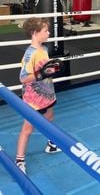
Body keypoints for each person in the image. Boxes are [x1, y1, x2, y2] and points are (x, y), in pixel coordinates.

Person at [16, 17, 63, 174]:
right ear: (35, 33)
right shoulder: (30, 54)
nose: (49, 32)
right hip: (33, 98)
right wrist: (41, 73)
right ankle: (19, 160)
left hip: (47, 93)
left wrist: (51, 69)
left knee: (49, 116)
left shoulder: (44, 49)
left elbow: (45, 71)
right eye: (45, 31)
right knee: (27, 128)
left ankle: (51, 144)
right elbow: (23, 78)